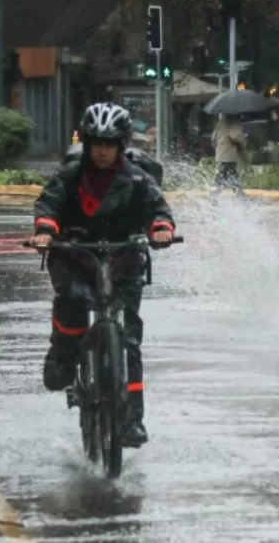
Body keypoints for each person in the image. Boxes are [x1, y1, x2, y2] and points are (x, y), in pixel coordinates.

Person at [31, 102, 176, 449]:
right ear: (86, 143)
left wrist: (161, 229)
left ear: (122, 145)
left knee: (128, 338)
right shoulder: (70, 175)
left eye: (110, 144)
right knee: (71, 308)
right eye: (97, 143)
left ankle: (132, 421)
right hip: (75, 256)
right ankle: (63, 355)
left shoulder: (139, 177)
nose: (103, 151)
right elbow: (48, 204)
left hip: (124, 258)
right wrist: (46, 231)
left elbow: (159, 209)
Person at [211, 113, 247, 198]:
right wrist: (243, 143)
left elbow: (213, 138)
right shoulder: (234, 123)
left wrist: (218, 147)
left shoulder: (220, 124)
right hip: (229, 154)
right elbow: (235, 136)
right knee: (227, 174)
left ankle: (238, 193)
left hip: (221, 153)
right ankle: (240, 195)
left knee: (227, 174)